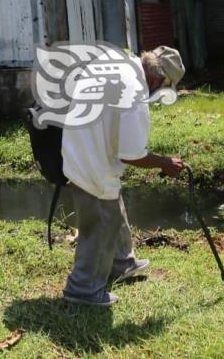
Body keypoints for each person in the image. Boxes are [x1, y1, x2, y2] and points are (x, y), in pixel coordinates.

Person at [61, 45, 186, 307]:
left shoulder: (122, 61)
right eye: (164, 88)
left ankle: (122, 263)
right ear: (157, 80)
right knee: (103, 220)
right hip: (90, 158)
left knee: (113, 206)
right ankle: (82, 288)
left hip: (78, 142)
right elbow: (131, 154)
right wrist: (164, 163)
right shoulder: (136, 95)